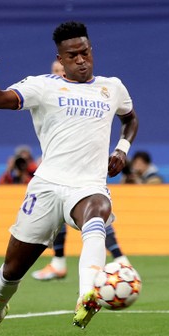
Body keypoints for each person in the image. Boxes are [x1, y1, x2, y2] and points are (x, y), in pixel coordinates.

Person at [0, 21, 138, 336]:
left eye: (85, 52)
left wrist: (122, 149)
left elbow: (130, 119)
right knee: (12, 269)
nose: (81, 60)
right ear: (59, 58)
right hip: (47, 186)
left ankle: (87, 293)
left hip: (88, 184)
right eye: (72, 55)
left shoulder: (112, 87)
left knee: (98, 211)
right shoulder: (42, 86)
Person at [30, 60, 130, 281]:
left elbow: (126, 118)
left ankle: (120, 258)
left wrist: (120, 149)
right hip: (58, 172)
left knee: (94, 216)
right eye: (54, 71)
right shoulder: (49, 94)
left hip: (85, 172)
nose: (58, 73)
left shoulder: (89, 93)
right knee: (64, 217)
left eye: (60, 70)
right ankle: (59, 262)